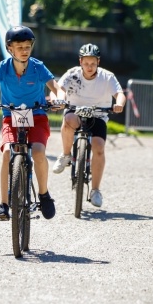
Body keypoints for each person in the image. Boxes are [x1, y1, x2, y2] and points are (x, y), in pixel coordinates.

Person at [0, 26, 66, 221]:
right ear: (10, 48)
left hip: (37, 116)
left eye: (27, 46)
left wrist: (60, 98)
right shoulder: (3, 67)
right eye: (19, 47)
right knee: (8, 152)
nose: (24, 50)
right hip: (11, 116)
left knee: (39, 152)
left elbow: (57, 88)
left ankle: (43, 195)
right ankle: (3, 204)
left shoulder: (38, 67)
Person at [51, 43, 126, 208]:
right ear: (80, 61)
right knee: (68, 120)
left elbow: (119, 94)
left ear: (98, 62)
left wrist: (119, 104)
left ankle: (95, 190)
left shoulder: (107, 76)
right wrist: (58, 98)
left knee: (99, 147)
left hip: (98, 115)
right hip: (75, 112)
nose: (89, 67)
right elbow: (59, 88)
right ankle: (65, 155)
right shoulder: (72, 74)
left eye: (93, 63)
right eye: (86, 63)